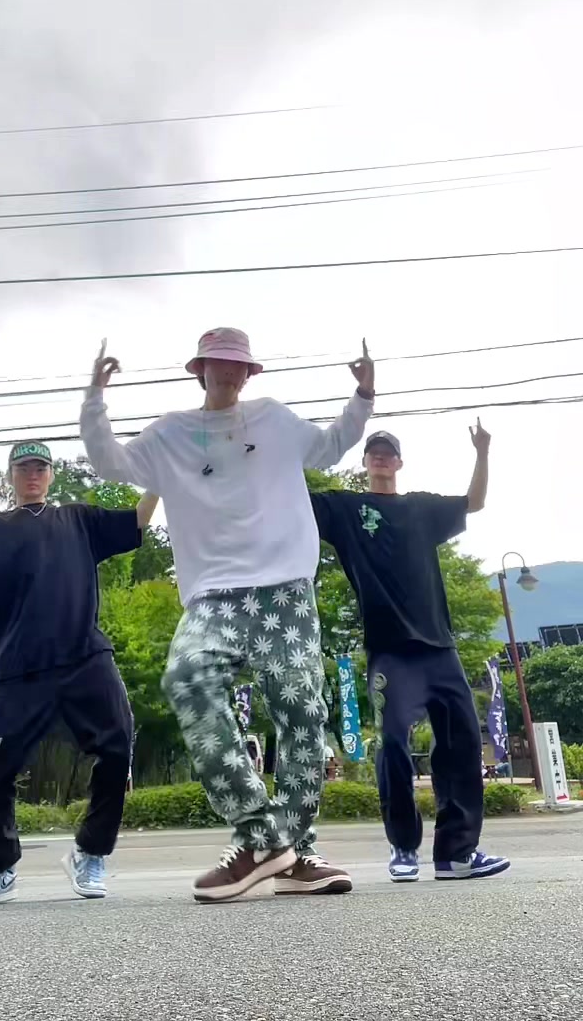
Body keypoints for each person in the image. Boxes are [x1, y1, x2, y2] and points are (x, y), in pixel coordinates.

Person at [81, 326, 374, 902]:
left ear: (250, 373)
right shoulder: (170, 434)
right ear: (200, 370)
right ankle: (264, 836)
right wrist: (95, 401)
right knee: (186, 676)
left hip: (284, 588)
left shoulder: (275, 419)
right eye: (219, 363)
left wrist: (362, 397)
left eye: (240, 365)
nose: (230, 373)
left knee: (300, 706)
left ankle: (293, 853)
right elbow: (110, 463)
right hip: (213, 594)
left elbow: (331, 445)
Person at [0, 433, 156, 908]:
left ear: (51, 475)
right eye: (24, 468)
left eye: (40, 468)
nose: (33, 475)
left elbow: (137, 520)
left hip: (85, 657)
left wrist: (161, 477)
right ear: (12, 477)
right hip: (19, 670)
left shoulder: (79, 520)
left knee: (117, 745)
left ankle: (90, 853)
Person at [310, 423, 510, 883]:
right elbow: (289, 496)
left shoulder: (421, 507)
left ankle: (456, 854)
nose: (381, 458)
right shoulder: (346, 509)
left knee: (461, 743)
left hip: (439, 647)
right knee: (394, 743)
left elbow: (474, 502)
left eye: (388, 452)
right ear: (365, 463)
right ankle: (403, 847)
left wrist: (482, 452)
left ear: (399, 462)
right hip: (390, 651)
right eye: (374, 452)